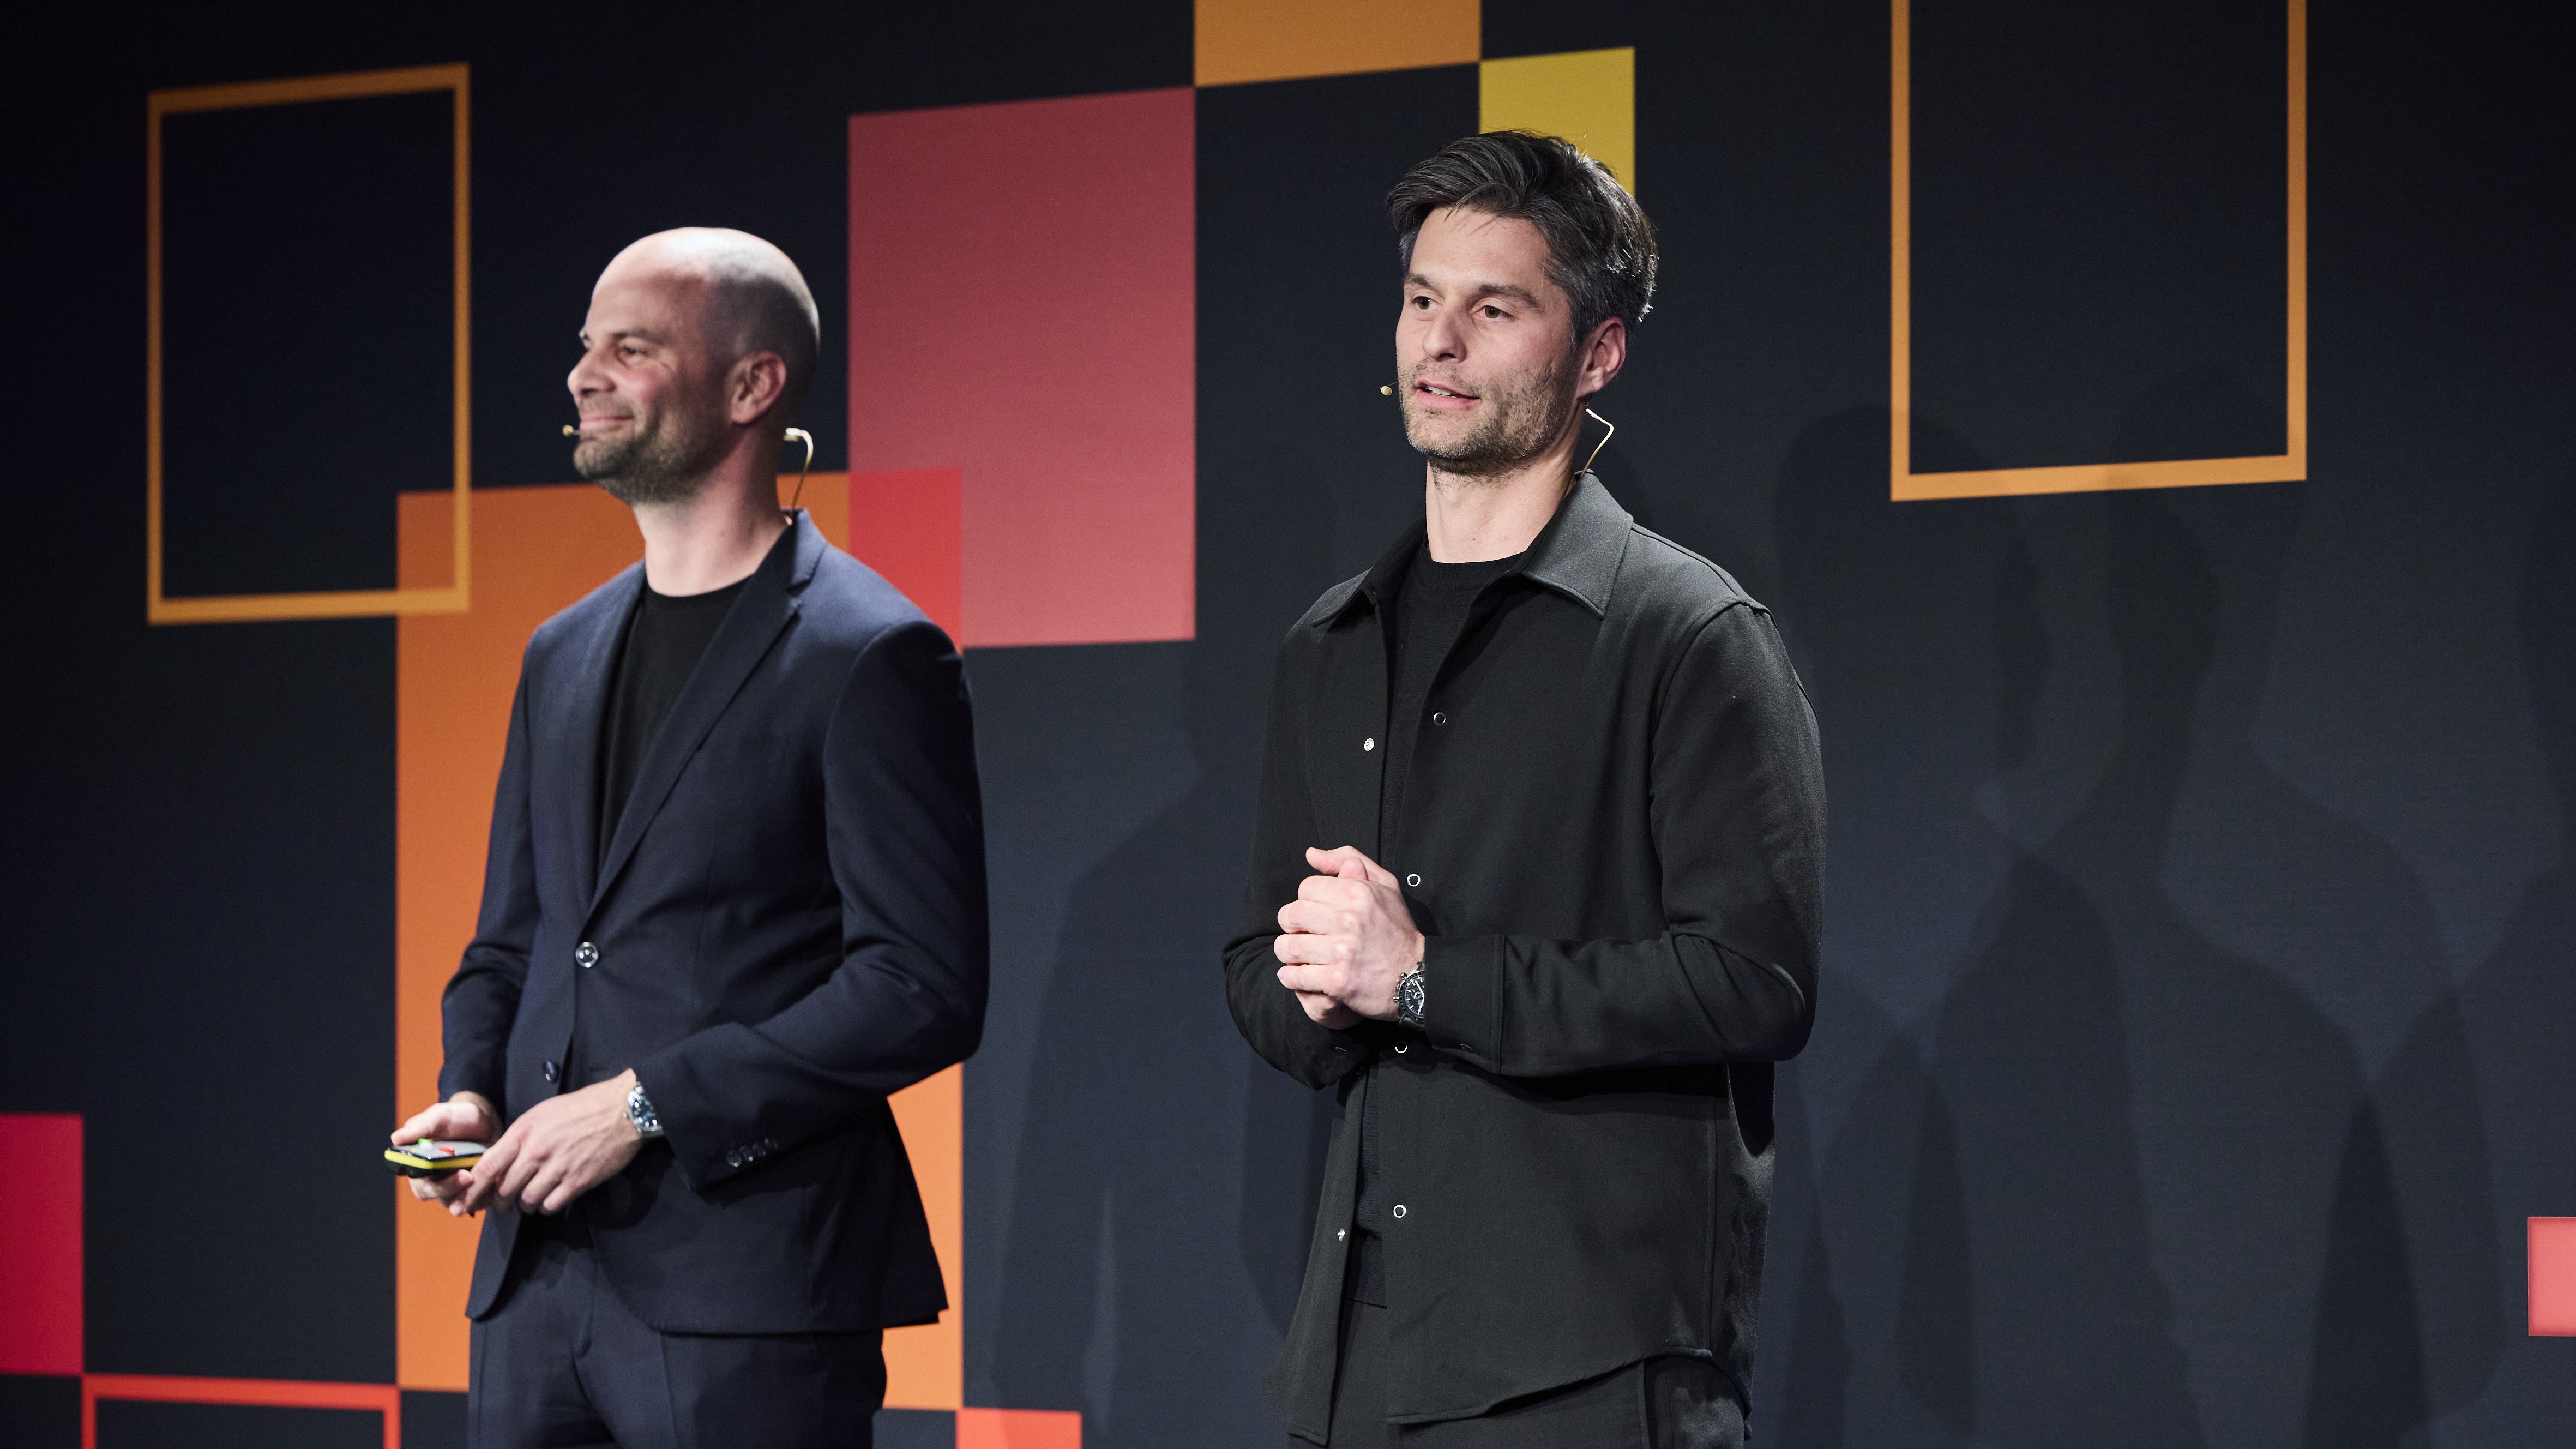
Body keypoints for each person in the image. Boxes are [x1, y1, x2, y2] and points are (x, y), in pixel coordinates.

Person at [1223, 133, 1826, 1447]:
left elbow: (1754, 982)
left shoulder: (1689, 634)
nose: (1438, 344)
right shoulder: (1329, 645)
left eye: (1494, 309)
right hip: (1358, 1364)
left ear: (1595, 353)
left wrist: (1426, 977)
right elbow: (1256, 969)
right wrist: (1318, 987)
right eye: (1422, 300)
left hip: (1592, 1366)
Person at [390, 228, 988, 1448]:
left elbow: (919, 985)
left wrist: (645, 1106)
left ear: (752, 386)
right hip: (534, 1290)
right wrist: (471, 1092)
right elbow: (513, 942)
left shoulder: (869, 653)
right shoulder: (560, 651)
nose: (582, 375)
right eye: (584, 348)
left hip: (750, 1296)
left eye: (631, 347)